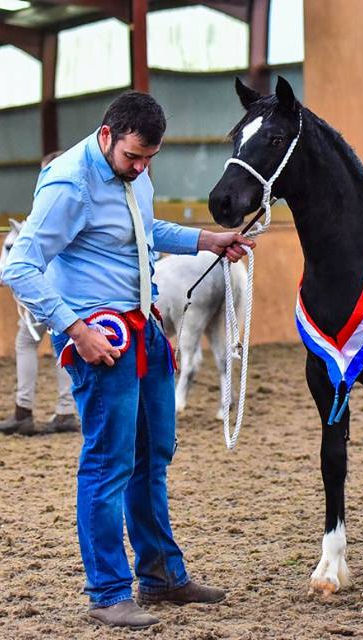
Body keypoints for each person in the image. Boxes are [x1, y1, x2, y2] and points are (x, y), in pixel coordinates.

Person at [2, 91, 254, 630]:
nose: (140, 168)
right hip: (102, 338)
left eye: (149, 160)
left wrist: (206, 239)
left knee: (154, 453)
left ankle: (162, 576)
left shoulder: (134, 172)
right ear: (106, 134)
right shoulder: (68, 183)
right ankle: (109, 591)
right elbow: (20, 266)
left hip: (145, 327)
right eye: (133, 157)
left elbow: (142, 234)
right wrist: (76, 329)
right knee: (108, 464)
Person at [0, 151, 80, 436]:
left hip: (46, 286)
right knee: (64, 345)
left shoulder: (50, 200)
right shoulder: (79, 197)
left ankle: (24, 411)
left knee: (26, 342)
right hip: (70, 289)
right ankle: (65, 411)